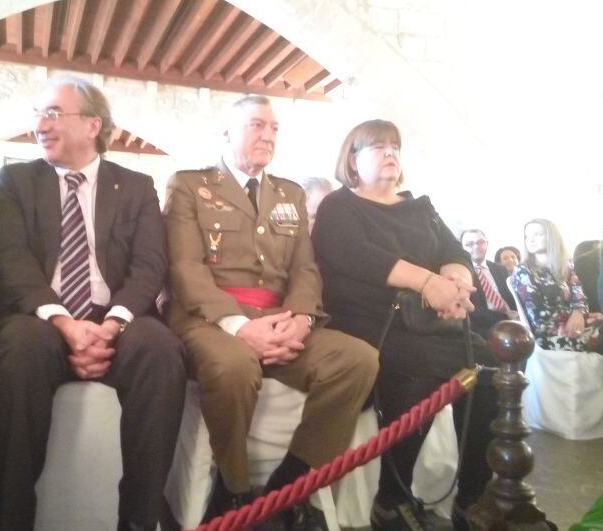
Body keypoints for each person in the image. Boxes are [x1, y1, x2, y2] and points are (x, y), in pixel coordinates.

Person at [165, 95, 378, 529]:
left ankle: (291, 483)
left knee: (358, 360)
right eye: (257, 125)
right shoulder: (189, 186)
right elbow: (185, 268)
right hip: (211, 319)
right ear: (228, 132)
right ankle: (233, 488)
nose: (268, 135)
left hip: (280, 317)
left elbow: (305, 268)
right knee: (233, 366)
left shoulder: (289, 193)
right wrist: (240, 326)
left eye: (274, 128)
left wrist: (300, 319)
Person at [0, 75, 186, 531]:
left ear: (93, 125)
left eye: (53, 113)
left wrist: (111, 325)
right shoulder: (17, 180)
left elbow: (149, 265)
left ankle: (139, 519)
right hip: (40, 316)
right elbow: (10, 259)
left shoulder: (135, 186)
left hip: (116, 316)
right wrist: (63, 323)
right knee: (19, 348)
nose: (40, 125)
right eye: (38, 114)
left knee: (160, 351)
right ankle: (11, 520)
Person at [311, 119, 499, 531]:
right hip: (371, 324)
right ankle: (391, 499)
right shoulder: (339, 206)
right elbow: (359, 255)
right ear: (353, 160)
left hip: (430, 322)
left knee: (490, 368)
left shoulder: (421, 208)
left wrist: (456, 285)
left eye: (394, 146)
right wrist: (429, 283)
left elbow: (454, 252)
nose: (390, 152)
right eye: (378, 146)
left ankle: (473, 497)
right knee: (423, 371)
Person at [510, 219, 601, 352]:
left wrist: (579, 313)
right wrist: (582, 317)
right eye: (527, 236)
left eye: (538, 234)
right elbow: (538, 316)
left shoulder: (566, 266)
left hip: (574, 326)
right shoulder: (523, 271)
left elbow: (579, 295)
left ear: (552, 237)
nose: (530, 240)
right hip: (548, 335)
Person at [459, 228, 517, 337]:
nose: (476, 247)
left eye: (480, 242)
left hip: (515, 323)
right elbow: (470, 309)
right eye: (469, 244)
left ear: (487, 244)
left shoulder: (500, 269)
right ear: (462, 248)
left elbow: (512, 298)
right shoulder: (461, 273)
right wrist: (505, 317)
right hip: (484, 330)